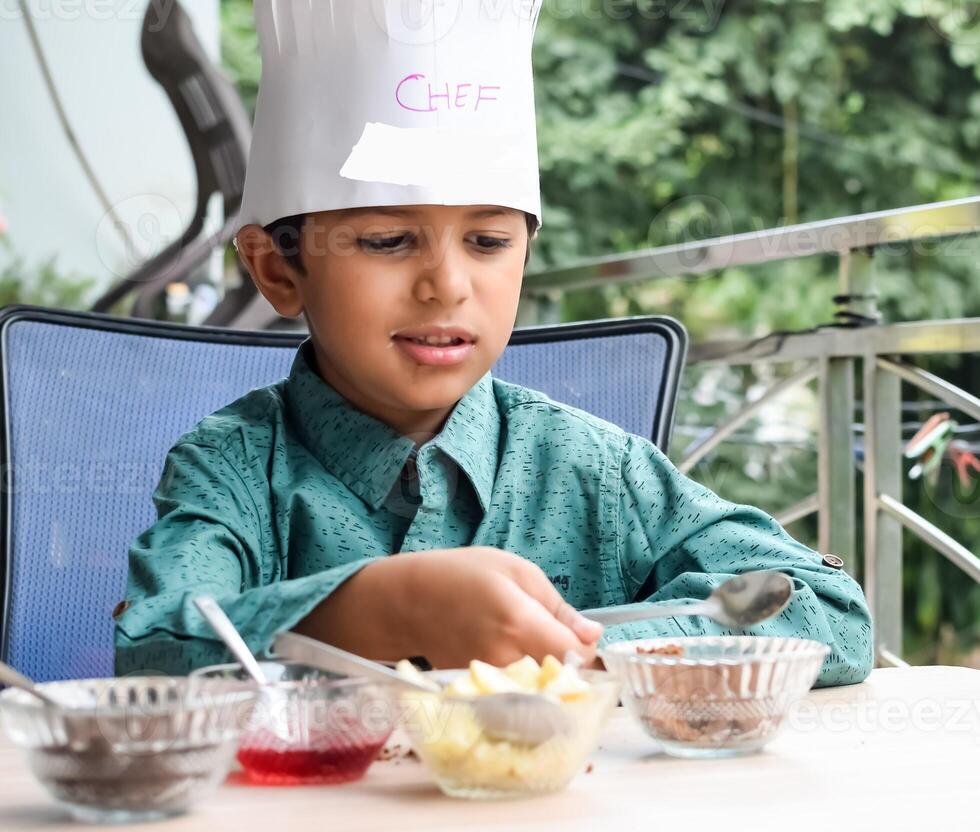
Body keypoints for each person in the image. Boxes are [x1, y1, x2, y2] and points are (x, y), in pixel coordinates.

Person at [114, 0, 872, 687]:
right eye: (386, 240)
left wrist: (610, 651)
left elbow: (827, 610)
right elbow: (152, 650)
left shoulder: (596, 470)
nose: (446, 285)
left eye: (486, 240)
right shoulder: (235, 468)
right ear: (279, 270)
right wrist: (368, 612)